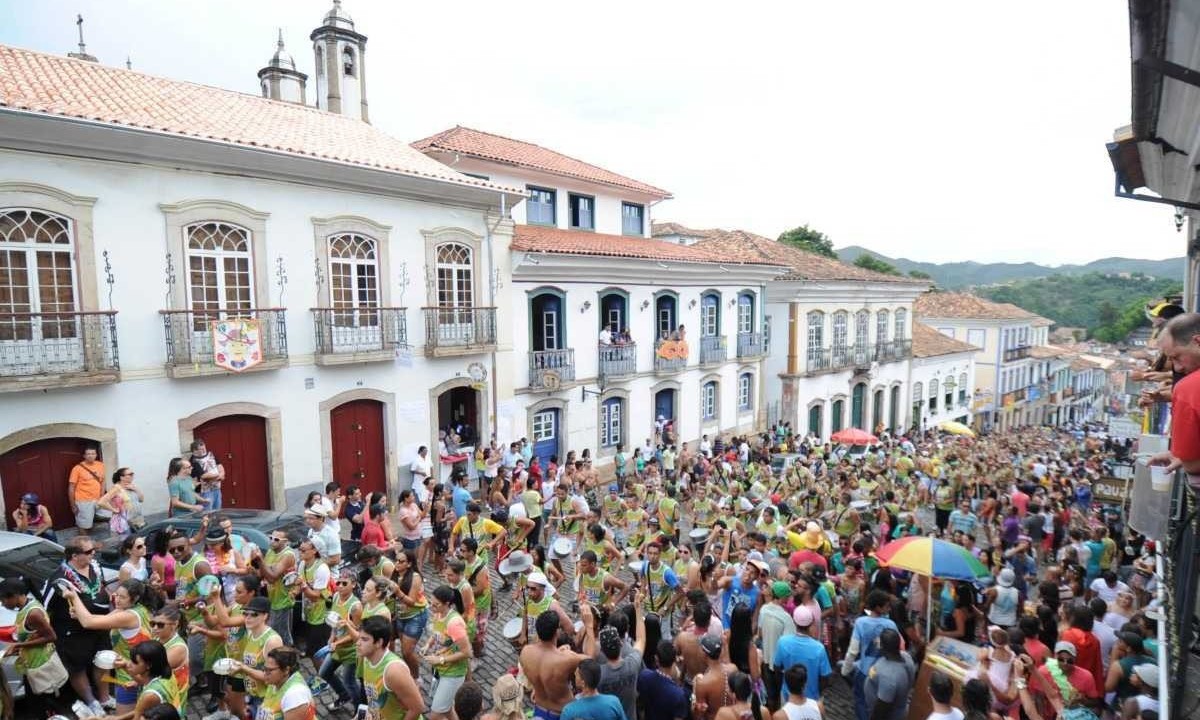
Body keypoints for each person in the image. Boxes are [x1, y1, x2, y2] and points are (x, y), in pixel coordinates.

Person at [41, 534, 113, 716]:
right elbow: (45, 608)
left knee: (102, 661)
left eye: (94, 550)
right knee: (78, 668)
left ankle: (104, 698)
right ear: (74, 556)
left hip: (98, 625)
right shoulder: (59, 579)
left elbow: (100, 587)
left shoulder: (95, 567)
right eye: (89, 552)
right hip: (72, 633)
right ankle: (91, 701)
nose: (93, 554)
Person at [62, 578, 153, 716]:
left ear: (135, 598)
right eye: (116, 595)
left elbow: (89, 623)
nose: (117, 599)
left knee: (125, 717)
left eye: (122, 597)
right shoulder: (134, 608)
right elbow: (97, 619)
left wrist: (74, 597)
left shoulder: (129, 616)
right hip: (139, 672)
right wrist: (79, 615)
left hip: (129, 676)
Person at [0, 577, 66, 719]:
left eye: (3, 599)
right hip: (31, 664)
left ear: (15, 595)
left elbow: (51, 636)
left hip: (41, 666)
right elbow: (34, 635)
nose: (2, 603)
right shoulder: (26, 608)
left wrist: (19, 645)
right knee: (35, 705)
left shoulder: (33, 613)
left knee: (42, 706)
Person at [520, 607, 597, 720]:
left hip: (540, 709)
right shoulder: (566, 659)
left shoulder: (525, 652)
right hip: (563, 713)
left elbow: (543, 665)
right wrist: (589, 626)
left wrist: (558, 651)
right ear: (556, 631)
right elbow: (591, 660)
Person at [355, 615, 427, 720]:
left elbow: (417, 708)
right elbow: (375, 697)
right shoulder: (367, 658)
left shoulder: (394, 671)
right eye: (359, 638)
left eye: (364, 639)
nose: (357, 643)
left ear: (379, 642)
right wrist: (371, 712)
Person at [841, 591, 898, 720]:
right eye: (887, 606)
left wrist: (845, 670)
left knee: (860, 700)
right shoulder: (891, 624)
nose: (889, 609)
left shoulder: (860, 622)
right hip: (884, 670)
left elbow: (853, 651)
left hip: (865, 670)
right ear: (878, 607)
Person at [422, 584, 473, 720]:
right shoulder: (438, 614)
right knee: (447, 707)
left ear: (447, 604)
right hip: (441, 670)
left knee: (435, 714)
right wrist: (427, 645)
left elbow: (467, 652)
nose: (432, 608)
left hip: (453, 673)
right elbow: (436, 633)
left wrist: (440, 660)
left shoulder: (454, 623)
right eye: (431, 603)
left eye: (436, 605)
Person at [598, 598, 647, 720]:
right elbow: (641, 639)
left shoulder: (598, 670)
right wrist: (638, 609)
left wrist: (588, 627)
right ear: (620, 643)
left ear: (602, 649)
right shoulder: (632, 662)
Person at [234, 647, 314, 720]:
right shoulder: (276, 680)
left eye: (269, 670)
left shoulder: (295, 696)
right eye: (264, 669)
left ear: (286, 670)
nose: (265, 673)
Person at [774, 605, 831, 706]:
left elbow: (777, 667)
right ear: (811, 623)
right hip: (812, 699)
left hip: (789, 696)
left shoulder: (783, 642)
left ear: (794, 622)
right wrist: (817, 692)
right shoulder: (819, 648)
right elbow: (825, 677)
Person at [253, 529, 298, 645]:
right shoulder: (271, 551)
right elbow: (262, 573)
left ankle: (289, 659)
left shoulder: (288, 555)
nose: (272, 541)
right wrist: (255, 564)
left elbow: (272, 578)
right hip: (272, 599)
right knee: (276, 633)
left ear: (285, 542)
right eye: (270, 538)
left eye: (276, 539)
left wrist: (261, 561)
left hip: (283, 601)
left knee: (281, 636)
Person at [862, 629, 915, 720]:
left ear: (882, 647)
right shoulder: (906, 656)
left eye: (879, 641)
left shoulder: (889, 678)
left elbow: (881, 710)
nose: (877, 642)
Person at [638, 639, 689, 720]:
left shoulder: (644, 676)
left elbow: (641, 704)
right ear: (675, 659)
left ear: (656, 659)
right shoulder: (679, 695)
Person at [562, 658, 626, 720]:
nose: (575, 677)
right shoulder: (614, 702)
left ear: (583, 683)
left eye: (576, 675)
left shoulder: (569, 711)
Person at [99, 468, 146, 538]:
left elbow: (141, 499)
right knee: (127, 544)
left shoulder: (132, 486)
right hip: (124, 523)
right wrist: (114, 510)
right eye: (130, 474)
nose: (132, 476)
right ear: (122, 477)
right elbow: (101, 502)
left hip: (137, 521)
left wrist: (136, 489)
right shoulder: (117, 488)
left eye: (132, 474)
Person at [69, 445, 105, 534]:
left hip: (98, 499)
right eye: (88, 454)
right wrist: (73, 505)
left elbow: (103, 481)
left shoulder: (100, 465)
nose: (90, 456)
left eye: (93, 453)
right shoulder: (77, 469)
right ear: (84, 456)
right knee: (83, 525)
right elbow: (71, 488)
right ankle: (84, 544)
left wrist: (102, 496)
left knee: (108, 516)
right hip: (83, 501)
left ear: (96, 455)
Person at [190, 439, 225, 511]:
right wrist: (218, 475)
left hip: (216, 488)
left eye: (204, 448)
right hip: (204, 491)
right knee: (207, 513)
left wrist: (222, 474)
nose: (204, 450)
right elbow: (204, 476)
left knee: (217, 510)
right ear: (194, 451)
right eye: (201, 449)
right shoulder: (193, 460)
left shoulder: (211, 454)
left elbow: (220, 466)